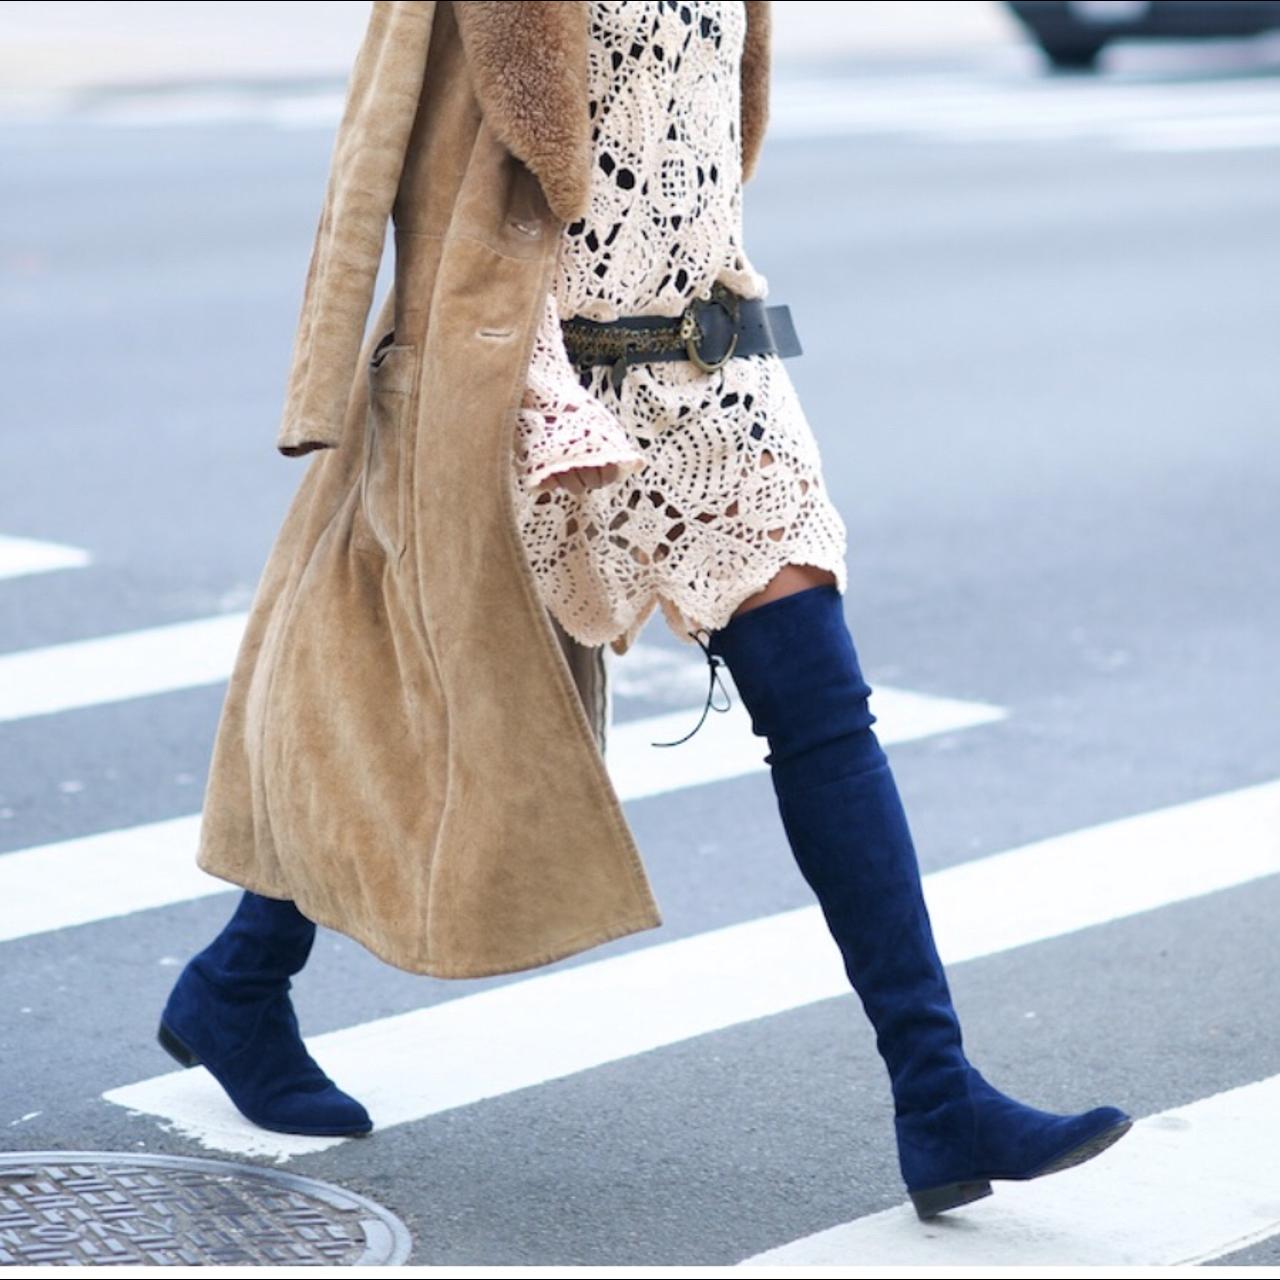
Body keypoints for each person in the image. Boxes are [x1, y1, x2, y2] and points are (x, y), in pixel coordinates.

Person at [158, 1, 1132, 1219]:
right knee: (425, 704)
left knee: (821, 700)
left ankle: (935, 1093)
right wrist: (365, 380)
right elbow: (383, 142)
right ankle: (241, 978)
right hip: (526, 370)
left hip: (707, 363)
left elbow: (700, 132)